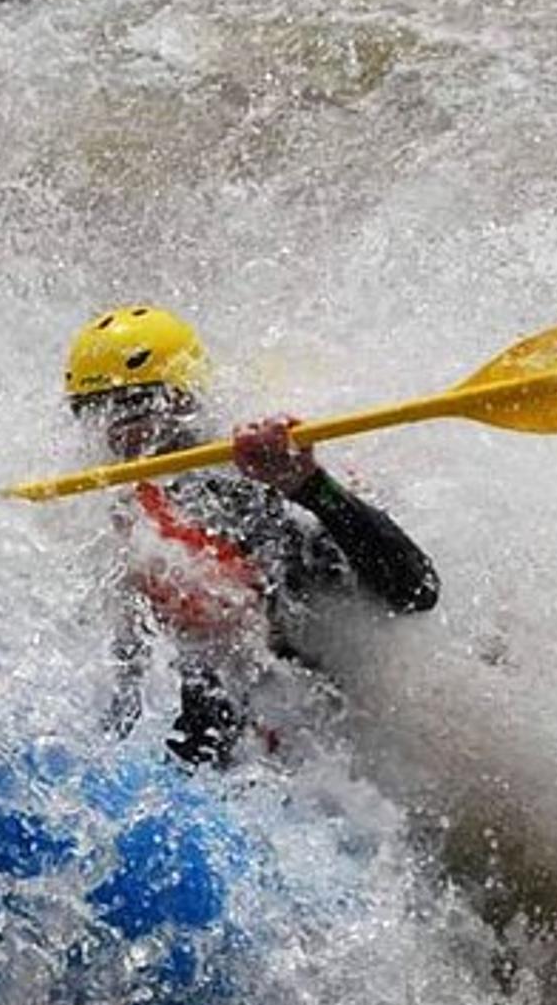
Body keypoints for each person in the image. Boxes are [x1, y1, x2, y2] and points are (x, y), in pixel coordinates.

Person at [66, 305, 439, 767]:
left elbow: (415, 590)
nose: (117, 429)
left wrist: (307, 486)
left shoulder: (249, 490)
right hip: (189, 740)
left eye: (136, 406)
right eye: (96, 411)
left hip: (305, 744)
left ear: (185, 401)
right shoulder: (106, 511)